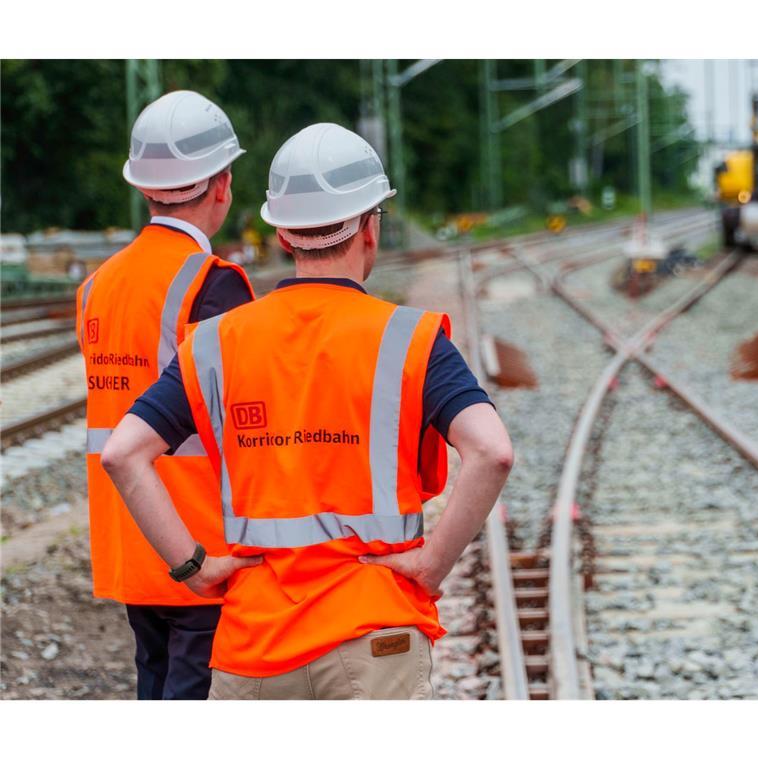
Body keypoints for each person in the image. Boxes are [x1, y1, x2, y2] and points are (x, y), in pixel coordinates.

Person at [101, 123, 513, 700]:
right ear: (370, 228)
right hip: (374, 633)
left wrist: (193, 567)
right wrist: (432, 565)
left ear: (284, 236)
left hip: (254, 644)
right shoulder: (410, 339)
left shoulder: (216, 343)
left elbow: (122, 454)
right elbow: (492, 451)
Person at [75, 90, 254, 699]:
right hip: (201, 548)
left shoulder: (98, 286)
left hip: (130, 540)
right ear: (222, 185)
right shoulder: (213, 285)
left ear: (142, 188)